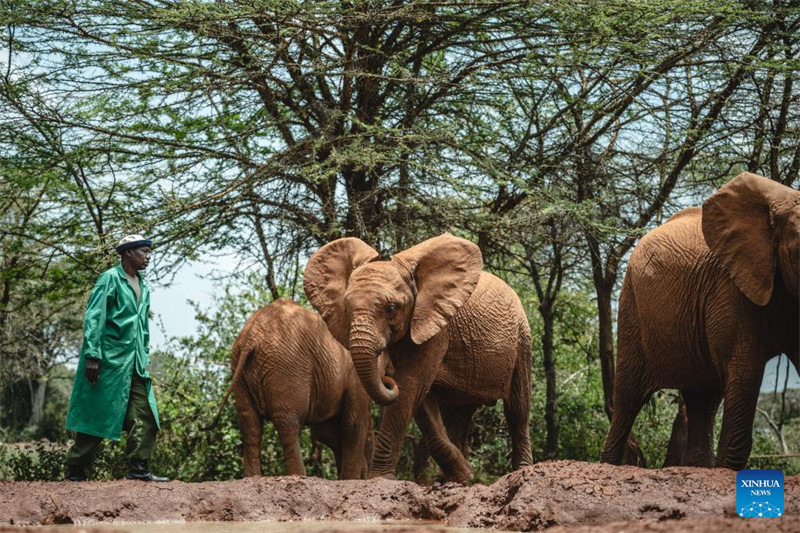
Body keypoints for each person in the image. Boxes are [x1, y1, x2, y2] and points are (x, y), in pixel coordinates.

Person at [64, 234, 169, 482]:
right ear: (128, 253)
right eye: (144, 251)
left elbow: (142, 325)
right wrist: (92, 355)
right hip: (108, 361)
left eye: (148, 251)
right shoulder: (110, 278)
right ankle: (76, 470)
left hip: (134, 363)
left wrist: (143, 355)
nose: (148, 256)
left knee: (146, 413)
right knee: (97, 413)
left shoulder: (143, 285)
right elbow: (94, 316)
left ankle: (139, 469)